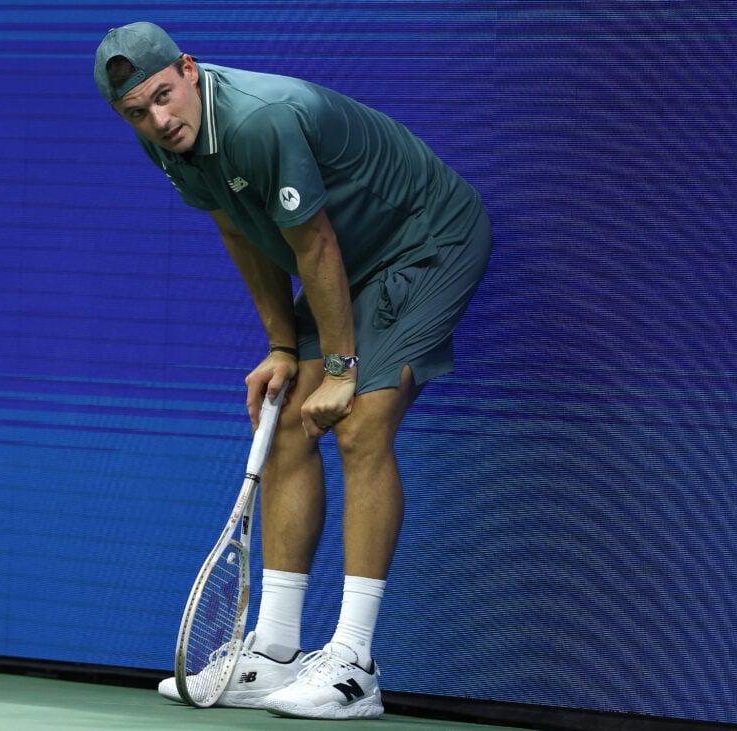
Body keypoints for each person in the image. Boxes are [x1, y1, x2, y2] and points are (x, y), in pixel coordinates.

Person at [94, 22, 491, 721]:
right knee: (282, 419)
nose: (158, 119)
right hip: (349, 258)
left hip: (424, 237)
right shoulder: (164, 141)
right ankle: (274, 651)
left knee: (360, 424)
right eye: (137, 112)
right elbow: (234, 226)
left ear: (189, 70)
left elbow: (313, 240)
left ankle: (355, 663)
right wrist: (282, 344)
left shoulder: (259, 119)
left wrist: (341, 367)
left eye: (163, 96)